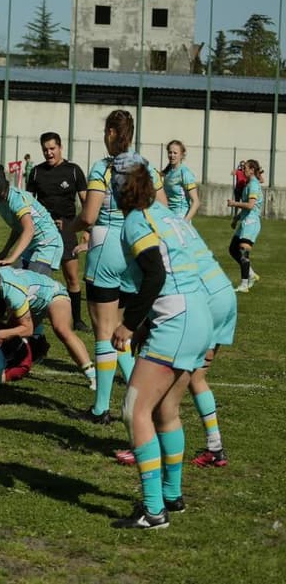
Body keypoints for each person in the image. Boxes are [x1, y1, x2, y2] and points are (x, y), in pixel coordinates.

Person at [107, 152, 211, 530]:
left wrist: (129, 324)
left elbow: (154, 274)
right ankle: (172, 495)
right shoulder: (166, 213)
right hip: (199, 311)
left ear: (120, 187)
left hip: (176, 317)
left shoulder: (137, 220)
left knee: (134, 410)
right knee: (166, 409)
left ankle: (153, 511)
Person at [115, 214, 237, 469]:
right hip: (222, 290)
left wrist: (138, 325)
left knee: (157, 389)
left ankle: (146, 445)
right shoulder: (173, 218)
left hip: (199, 298)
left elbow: (160, 278)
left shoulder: (145, 221)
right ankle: (215, 446)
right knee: (196, 376)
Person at [68, 109, 165, 424]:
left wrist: (69, 229)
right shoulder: (146, 166)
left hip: (107, 247)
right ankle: (139, 394)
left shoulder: (103, 167)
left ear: (111, 132)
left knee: (103, 331)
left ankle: (100, 410)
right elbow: (162, 209)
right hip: (137, 249)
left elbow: (90, 215)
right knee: (122, 330)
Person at [0, 263, 96, 388]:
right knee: (9, 331)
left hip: (53, 294)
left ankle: (93, 375)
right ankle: (16, 359)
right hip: (33, 304)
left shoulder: (14, 293)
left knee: (61, 329)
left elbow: (27, 329)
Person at [26, 132, 90, 331]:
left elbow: (87, 203)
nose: (49, 153)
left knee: (71, 276)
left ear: (60, 147)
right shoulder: (36, 172)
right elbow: (28, 203)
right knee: (41, 278)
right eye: (45, 149)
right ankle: (36, 315)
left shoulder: (73, 171)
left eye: (52, 148)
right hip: (43, 232)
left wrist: (86, 230)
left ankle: (77, 320)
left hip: (68, 229)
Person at [0, 162, 63, 274]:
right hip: (31, 245)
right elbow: (18, 227)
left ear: (0, 183)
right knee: (17, 281)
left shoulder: (16, 199)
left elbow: (29, 230)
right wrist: (5, 251)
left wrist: (12, 258)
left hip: (47, 243)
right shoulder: (1, 202)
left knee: (32, 286)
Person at [227, 159, 263, 293]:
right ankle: (251, 274)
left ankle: (244, 285)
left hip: (251, 222)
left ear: (252, 170)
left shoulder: (253, 184)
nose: (243, 170)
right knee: (232, 249)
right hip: (245, 221)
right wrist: (236, 218)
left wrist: (234, 204)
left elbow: (250, 205)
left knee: (243, 252)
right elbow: (247, 208)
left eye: (246, 168)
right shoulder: (249, 184)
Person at [161, 140, 200, 221]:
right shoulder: (168, 172)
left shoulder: (185, 173)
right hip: (168, 216)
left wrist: (185, 222)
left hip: (181, 217)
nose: (172, 155)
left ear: (182, 155)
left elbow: (196, 202)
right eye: (170, 152)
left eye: (175, 153)